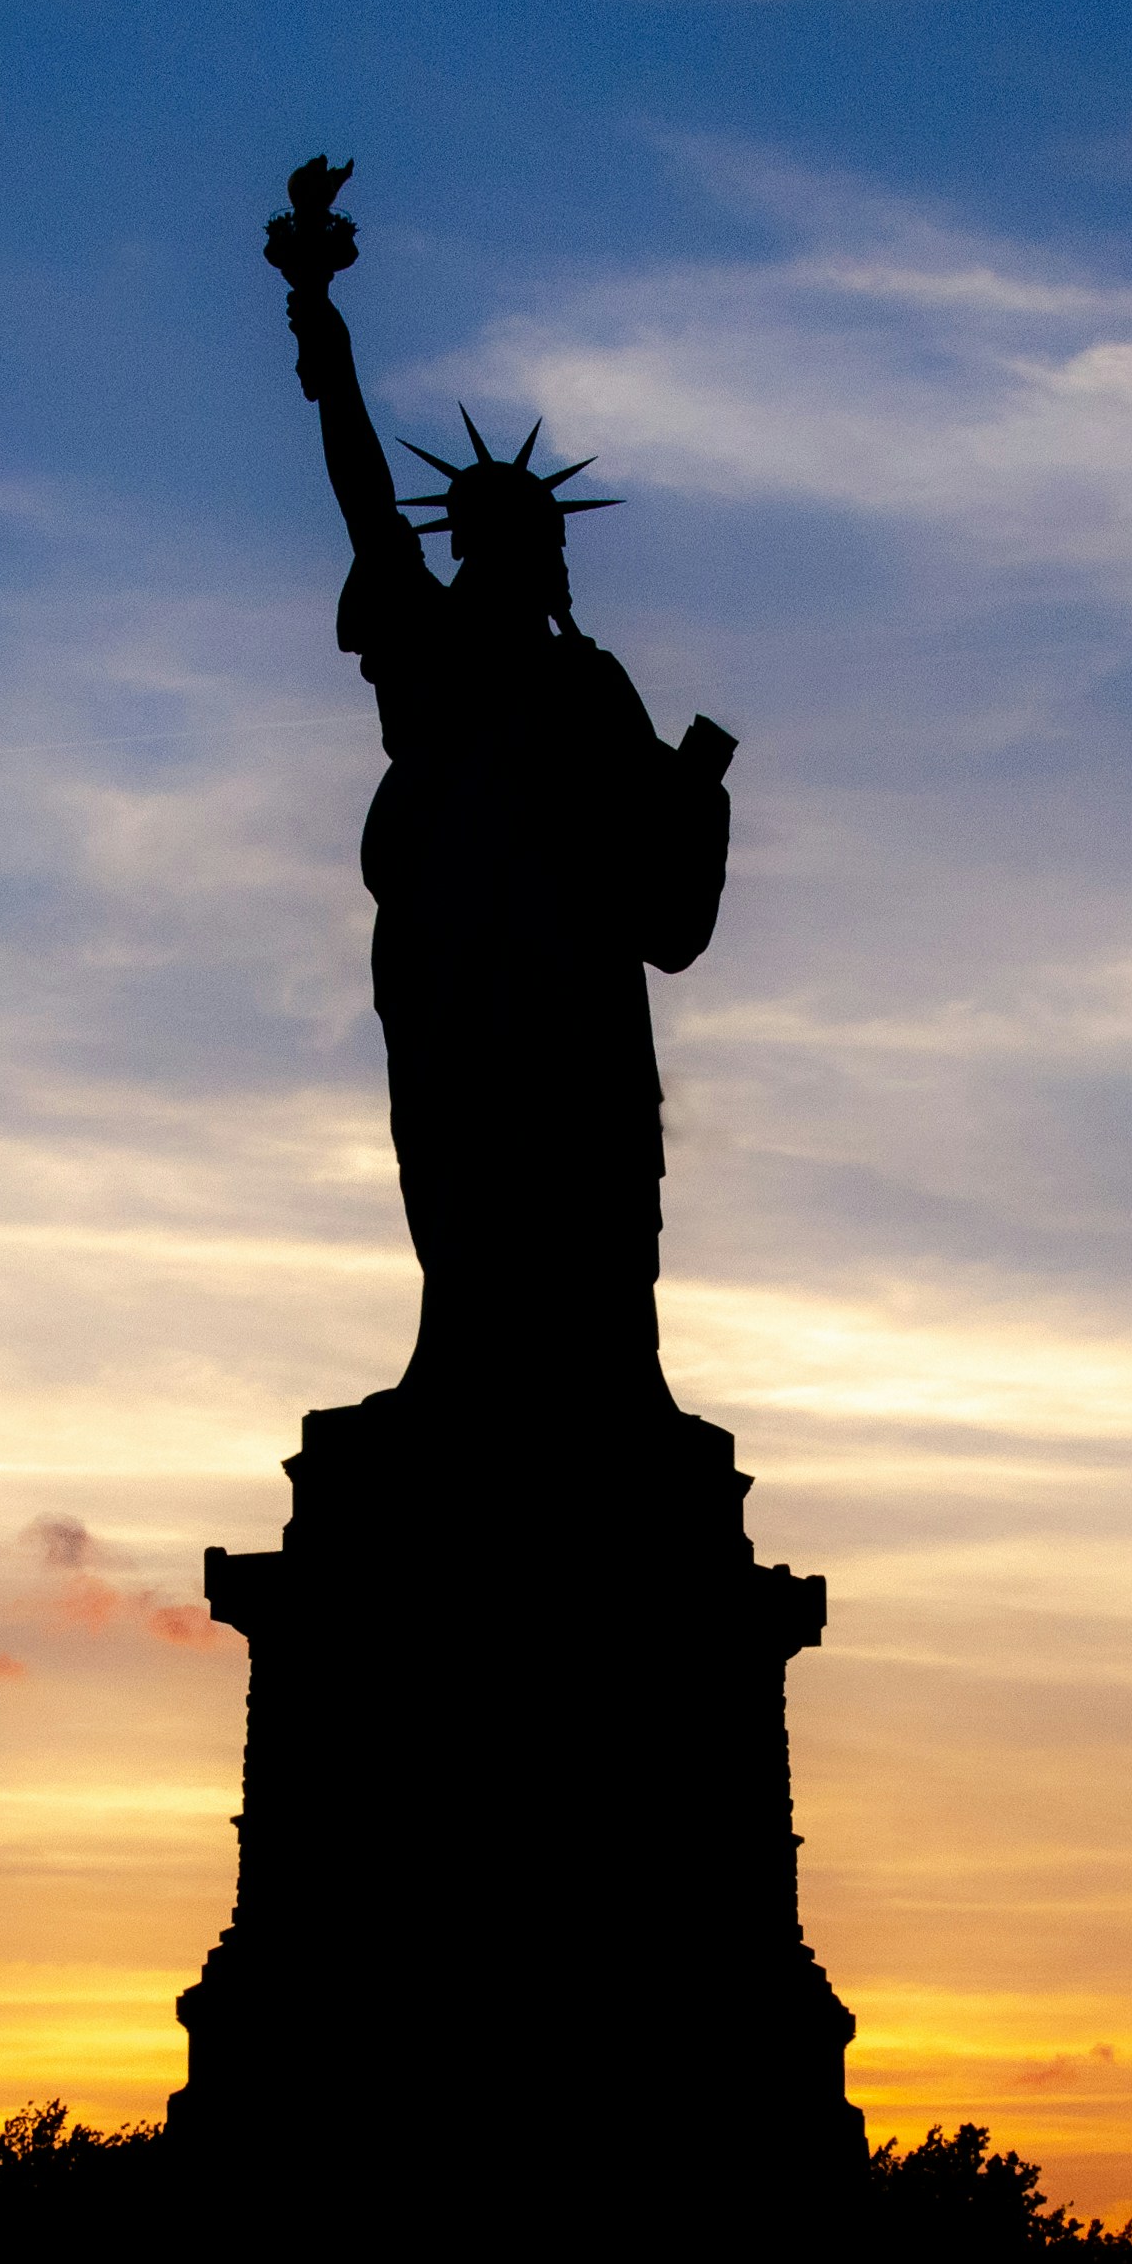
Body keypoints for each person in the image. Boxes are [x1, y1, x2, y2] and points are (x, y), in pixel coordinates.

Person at [266, 159, 736, 1413]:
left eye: (531, 540)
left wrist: (695, 791)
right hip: (449, 951)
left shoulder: (592, 687)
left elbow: (659, 877)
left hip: (570, 971)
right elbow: (361, 483)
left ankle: (597, 1385)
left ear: (550, 556)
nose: (511, 557)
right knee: (458, 1154)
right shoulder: (422, 635)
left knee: (579, 1163)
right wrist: (319, 318)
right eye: (490, 538)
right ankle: (459, 1367)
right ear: (468, 547)